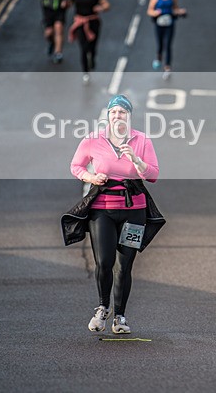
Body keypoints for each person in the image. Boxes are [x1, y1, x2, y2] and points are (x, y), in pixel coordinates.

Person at [69, 94, 160, 335]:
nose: (117, 116)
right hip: (103, 210)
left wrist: (136, 160)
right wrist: (91, 177)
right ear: (108, 115)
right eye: (113, 112)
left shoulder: (142, 140)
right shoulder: (93, 139)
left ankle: (120, 316)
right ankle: (102, 308)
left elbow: (153, 174)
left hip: (134, 211)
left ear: (129, 116)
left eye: (122, 112)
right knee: (104, 262)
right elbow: (76, 166)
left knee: (125, 265)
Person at [69, 0, 110, 84]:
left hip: (93, 22)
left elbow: (107, 5)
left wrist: (101, 8)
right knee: (83, 48)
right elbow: (68, 3)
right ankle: (86, 72)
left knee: (92, 46)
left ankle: (92, 57)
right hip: (80, 23)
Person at [146, 0, 187, 80]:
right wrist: (155, 13)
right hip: (159, 24)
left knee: (168, 45)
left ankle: (167, 67)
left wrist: (181, 11)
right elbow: (149, 11)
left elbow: (175, 9)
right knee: (160, 44)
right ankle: (159, 57)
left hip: (170, 24)